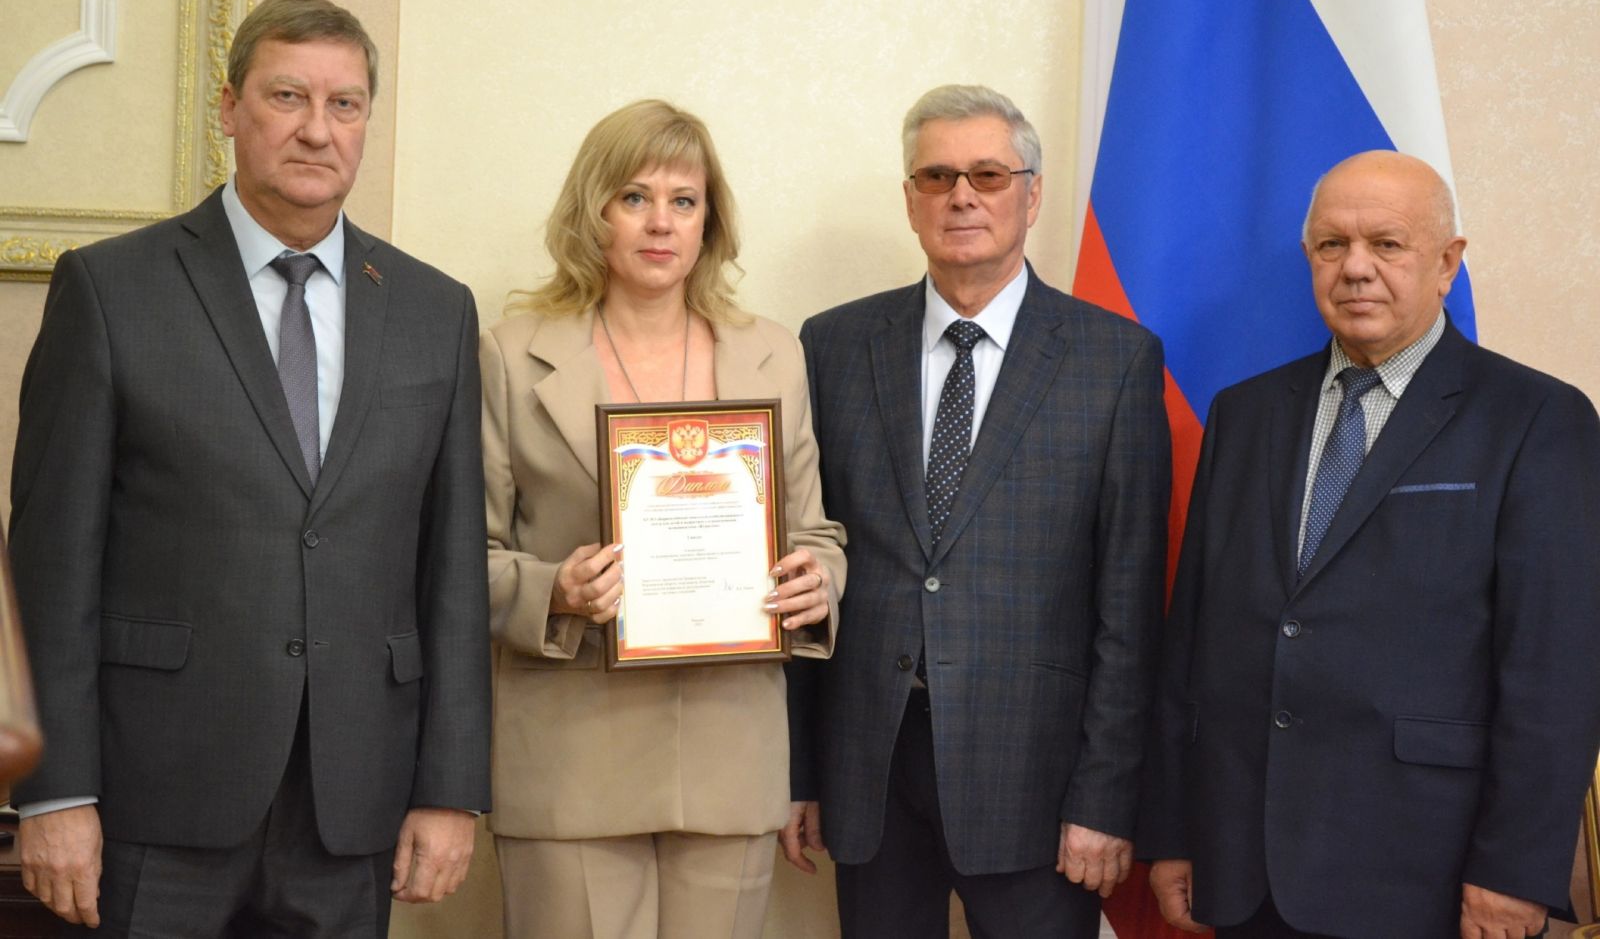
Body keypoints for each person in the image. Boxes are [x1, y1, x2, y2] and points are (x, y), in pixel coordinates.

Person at [9, 0, 490, 936]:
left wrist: (450, 787)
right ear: (229, 107)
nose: (317, 130)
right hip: (154, 794)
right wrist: (52, 788)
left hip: (353, 801)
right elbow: (49, 564)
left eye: (345, 104)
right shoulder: (111, 289)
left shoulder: (436, 310)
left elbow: (453, 574)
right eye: (287, 96)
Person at [1140, 150, 1600, 938]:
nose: (1355, 267)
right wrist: (1175, 829)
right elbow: (1194, 640)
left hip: (1427, 874)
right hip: (1244, 865)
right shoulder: (1245, 414)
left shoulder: (1536, 419)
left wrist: (1513, 870)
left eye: (1386, 243)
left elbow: (1555, 671)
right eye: (1332, 244)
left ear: (1447, 262)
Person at [790, 84, 1171, 938]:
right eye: (938, 176)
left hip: (1038, 785)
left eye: (988, 175)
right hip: (870, 773)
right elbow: (808, 556)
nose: (961, 195)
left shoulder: (1114, 360)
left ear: (1031, 196)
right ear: (911, 200)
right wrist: (799, 771)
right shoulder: (832, 345)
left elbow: (1129, 608)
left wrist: (1105, 798)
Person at [480, 98, 845, 939]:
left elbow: (816, 532)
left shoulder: (772, 352)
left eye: (684, 200)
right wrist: (555, 589)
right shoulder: (511, 353)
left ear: (709, 221)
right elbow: (464, 556)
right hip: (571, 754)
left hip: (730, 749)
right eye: (635, 197)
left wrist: (817, 579)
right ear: (593, 211)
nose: (660, 222)